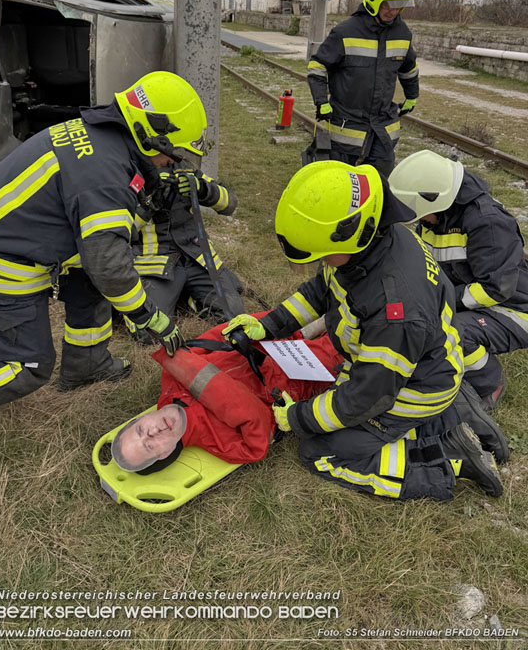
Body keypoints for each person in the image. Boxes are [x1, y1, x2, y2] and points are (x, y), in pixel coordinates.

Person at [0, 71, 206, 433]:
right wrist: (148, 316)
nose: (173, 162)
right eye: (173, 153)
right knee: (25, 367)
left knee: (89, 275)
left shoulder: (101, 138)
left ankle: (86, 366)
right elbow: (108, 265)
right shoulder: (106, 174)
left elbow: (101, 242)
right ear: (153, 137)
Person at [223, 161, 507, 501]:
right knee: (331, 411)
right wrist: (268, 325)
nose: (322, 262)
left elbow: (368, 396)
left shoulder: (395, 309)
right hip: (416, 368)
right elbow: (321, 290)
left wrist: (298, 418)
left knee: (321, 452)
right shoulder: (371, 241)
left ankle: (448, 459)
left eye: (325, 255)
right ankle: (453, 417)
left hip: (409, 390)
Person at [389, 149, 528, 412]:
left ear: (434, 198)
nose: (418, 219)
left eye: (419, 212)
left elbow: (495, 289)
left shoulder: (487, 223)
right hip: (476, 300)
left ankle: (489, 382)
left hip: (514, 309)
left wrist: (440, 300)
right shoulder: (439, 216)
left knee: (451, 332)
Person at [111, 317, 344, 472]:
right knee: (349, 337)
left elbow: (214, 338)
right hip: (299, 375)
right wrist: (203, 380)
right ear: (165, 453)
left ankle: (309, 327)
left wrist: (267, 323)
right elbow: (259, 429)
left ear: (141, 418)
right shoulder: (221, 444)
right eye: (150, 446)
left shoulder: (171, 378)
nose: (152, 433)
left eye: (140, 430)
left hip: (265, 341)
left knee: (322, 303)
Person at [306, 0, 419, 176]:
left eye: (399, 6)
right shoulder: (345, 32)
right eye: (389, 5)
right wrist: (321, 101)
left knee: (380, 176)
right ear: (375, 0)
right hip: (347, 123)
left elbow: (409, 68)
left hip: (382, 124)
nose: (393, 11)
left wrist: (412, 96)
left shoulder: (402, 33)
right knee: (341, 178)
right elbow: (318, 66)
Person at [125, 164, 244, 345]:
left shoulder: (186, 170)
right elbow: (124, 229)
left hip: (197, 257)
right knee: (148, 333)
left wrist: (201, 188)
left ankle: (186, 295)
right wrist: (149, 202)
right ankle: (181, 294)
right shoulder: (129, 174)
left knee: (234, 316)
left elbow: (230, 203)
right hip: (156, 264)